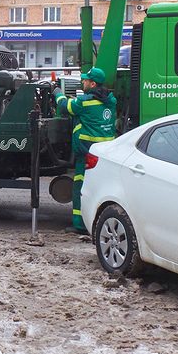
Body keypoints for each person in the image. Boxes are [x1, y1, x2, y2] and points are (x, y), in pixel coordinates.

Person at [53, 67, 117, 235]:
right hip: (105, 152)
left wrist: (58, 92)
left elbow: (65, 106)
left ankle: (80, 224)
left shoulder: (85, 102)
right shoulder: (110, 100)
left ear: (93, 83)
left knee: (80, 186)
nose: (83, 82)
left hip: (86, 152)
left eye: (86, 80)